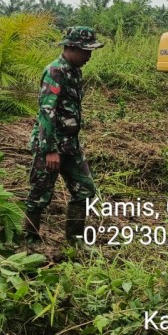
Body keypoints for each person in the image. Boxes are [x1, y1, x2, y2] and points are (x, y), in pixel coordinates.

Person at [24, 25, 104, 245]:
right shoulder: (55, 72)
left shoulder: (75, 71)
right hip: (50, 144)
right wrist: (50, 150)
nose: (89, 56)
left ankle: (75, 242)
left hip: (70, 145)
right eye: (86, 51)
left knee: (85, 190)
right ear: (71, 47)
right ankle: (30, 242)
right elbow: (46, 113)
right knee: (40, 195)